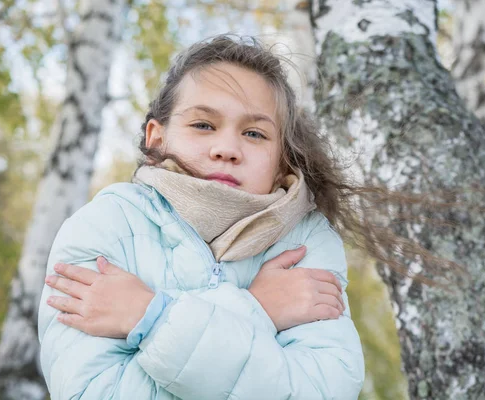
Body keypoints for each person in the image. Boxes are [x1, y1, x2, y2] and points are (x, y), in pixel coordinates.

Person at [38, 35, 366, 400]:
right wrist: (255, 309)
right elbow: (93, 393)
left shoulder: (306, 243)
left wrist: (150, 319)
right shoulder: (105, 225)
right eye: (203, 125)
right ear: (156, 139)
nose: (226, 149)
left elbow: (321, 391)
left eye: (254, 133)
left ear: (282, 161)